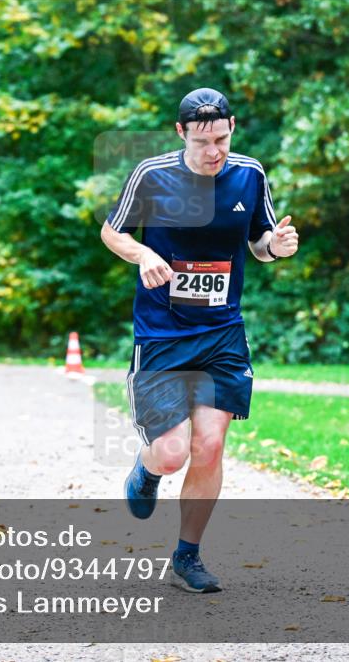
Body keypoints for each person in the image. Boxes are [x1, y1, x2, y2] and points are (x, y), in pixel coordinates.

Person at [100, 87, 299, 593]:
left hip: (222, 333)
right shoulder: (152, 174)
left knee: (209, 446)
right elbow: (113, 232)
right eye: (204, 141)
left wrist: (275, 247)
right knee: (172, 452)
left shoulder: (249, 174)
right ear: (181, 132)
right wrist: (143, 254)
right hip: (163, 335)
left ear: (233, 127)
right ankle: (146, 473)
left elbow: (260, 241)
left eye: (223, 138)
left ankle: (187, 557)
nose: (215, 152)